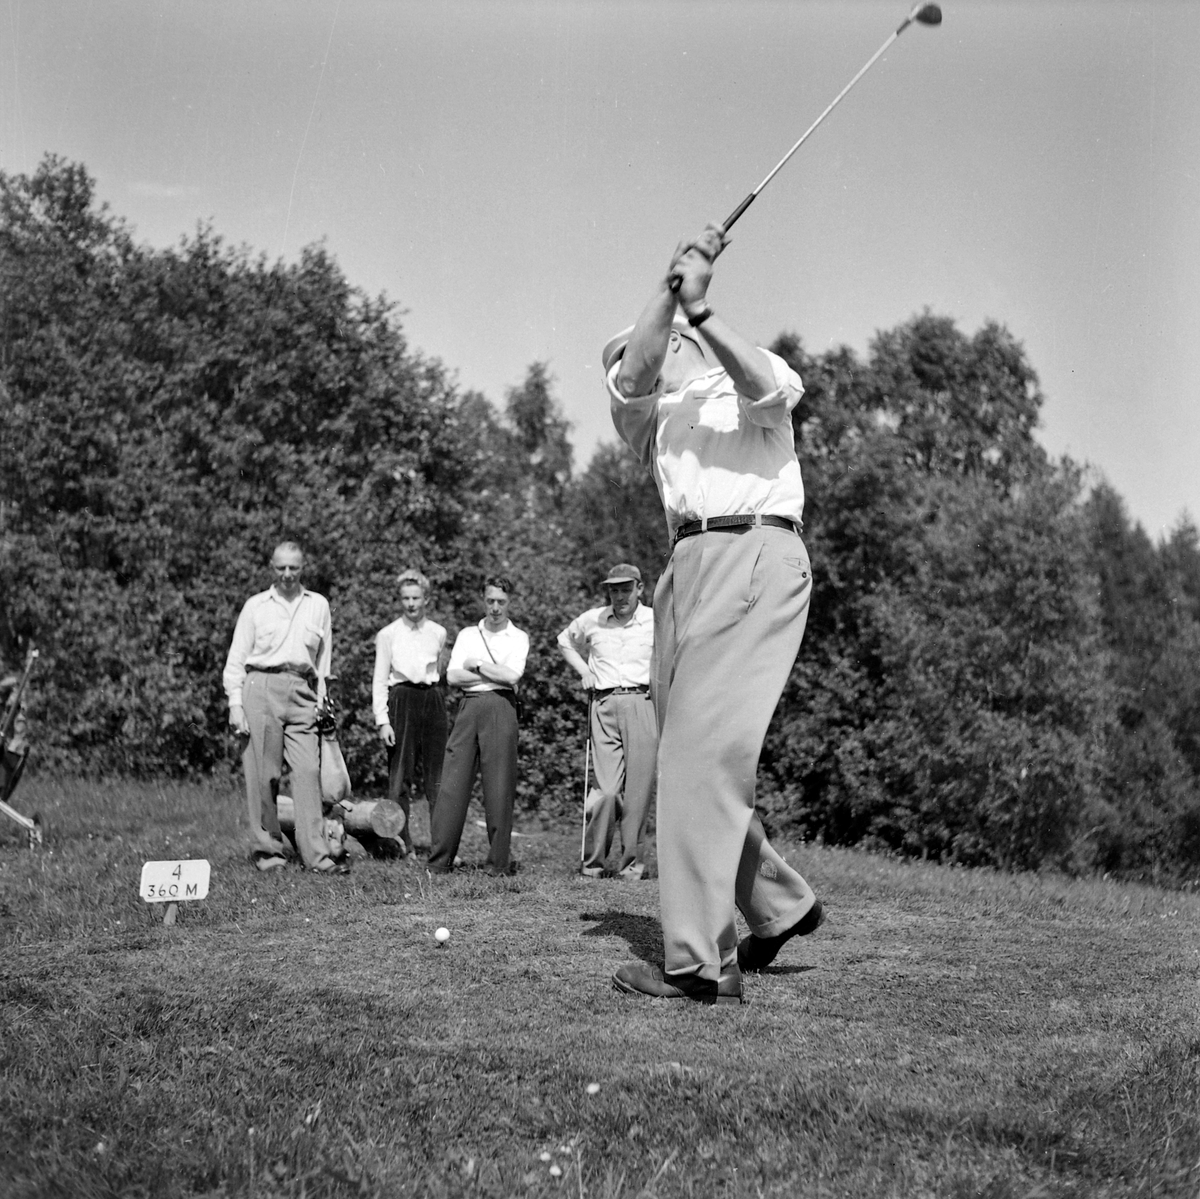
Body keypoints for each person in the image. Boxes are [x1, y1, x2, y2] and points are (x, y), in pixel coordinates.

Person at [602, 223, 822, 1005]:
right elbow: (629, 381)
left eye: (671, 340)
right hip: (684, 569)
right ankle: (778, 904)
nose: (655, 354)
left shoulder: (749, 374)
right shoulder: (656, 410)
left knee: (697, 758)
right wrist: (671, 295)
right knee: (692, 756)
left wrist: (701, 311)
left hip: (756, 554)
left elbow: (768, 387)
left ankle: (700, 965)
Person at [223, 541, 348, 875]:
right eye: (281, 568)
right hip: (260, 688)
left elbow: (324, 659)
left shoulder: (318, 604)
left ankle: (318, 856)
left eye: (294, 567)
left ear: (303, 567)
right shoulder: (255, 607)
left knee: (308, 773)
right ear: (271, 568)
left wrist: (323, 700)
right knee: (265, 776)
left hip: (303, 691)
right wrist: (235, 704)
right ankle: (268, 851)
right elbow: (236, 660)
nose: (288, 574)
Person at [557, 563, 657, 880]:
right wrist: (585, 671)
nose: (620, 595)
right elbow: (564, 641)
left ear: (639, 588)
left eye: (626, 588)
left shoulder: (655, 619)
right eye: (614, 589)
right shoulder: (594, 619)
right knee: (608, 790)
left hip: (643, 703)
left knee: (639, 790)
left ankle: (631, 865)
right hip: (603, 704)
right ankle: (593, 863)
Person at [428, 576, 529, 876]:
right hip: (469, 706)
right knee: (452, 783)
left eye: (501, 601)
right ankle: (439, 861)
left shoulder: (518, 637)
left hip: (500, 707)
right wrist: (490, 673)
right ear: (483, 600)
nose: (495, 608)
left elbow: (512, 677)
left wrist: (477, 665)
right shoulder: (468, 634)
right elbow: (453, 677)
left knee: (499, 786)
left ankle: (497, 864)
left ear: (510, 602)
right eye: (490, 601)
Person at [372, 568, 448, 855]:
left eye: (416, 598)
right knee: (400, 774)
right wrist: (383, 721)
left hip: (432, 699)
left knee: (437, 776)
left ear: (426, 598)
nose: (411, 604)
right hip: (401, 699)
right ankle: (401, 843)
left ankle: (442, 844)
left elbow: (439, 669)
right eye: (405, 598)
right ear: (400, 600)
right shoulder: (388, 634)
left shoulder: (438, 633)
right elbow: (380, 679)